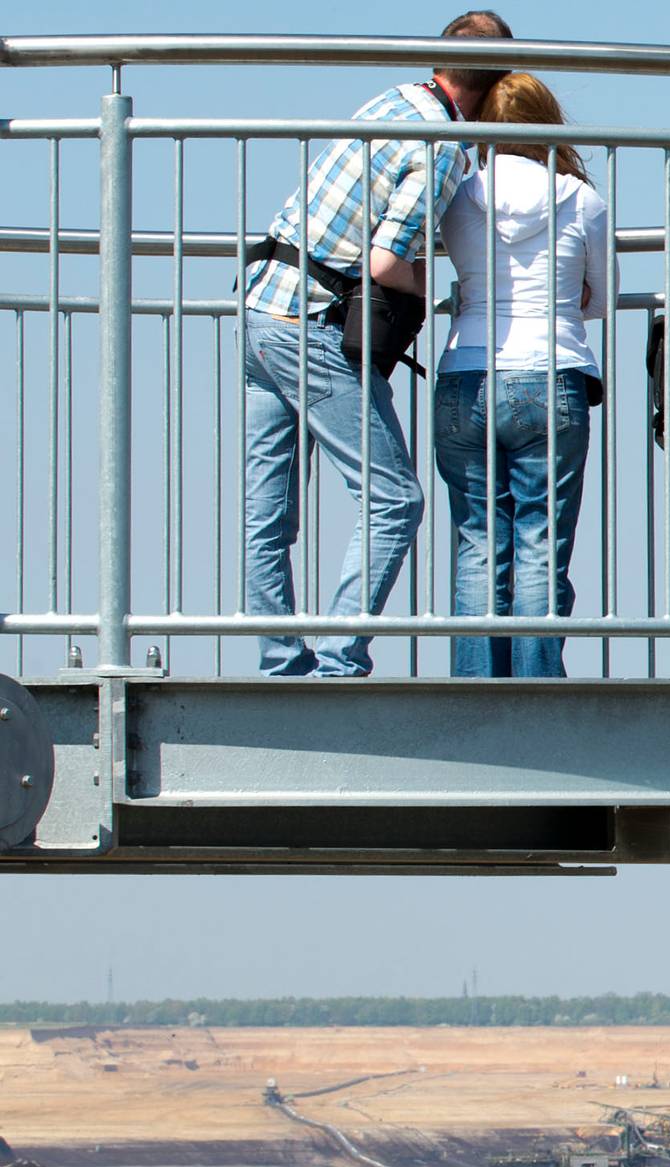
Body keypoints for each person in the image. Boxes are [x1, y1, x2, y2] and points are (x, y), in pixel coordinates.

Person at [235, 10, 513, 676]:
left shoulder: (392, 101)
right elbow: (387, 260)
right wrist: (434, 296)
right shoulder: (442, 143)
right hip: (311, 322)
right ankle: (337, 661)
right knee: (395, 499)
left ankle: (279, 661)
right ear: (498, 84)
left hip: (261, 308)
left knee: (268, 508)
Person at [430, 72, 611, 677]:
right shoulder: (580, 199)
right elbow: (599, 299)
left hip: (465, 372)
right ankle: (538, 687)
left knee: (478, 541)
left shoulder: (456, 193)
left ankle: (475, 685)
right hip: (549, 369)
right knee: (542, 541)